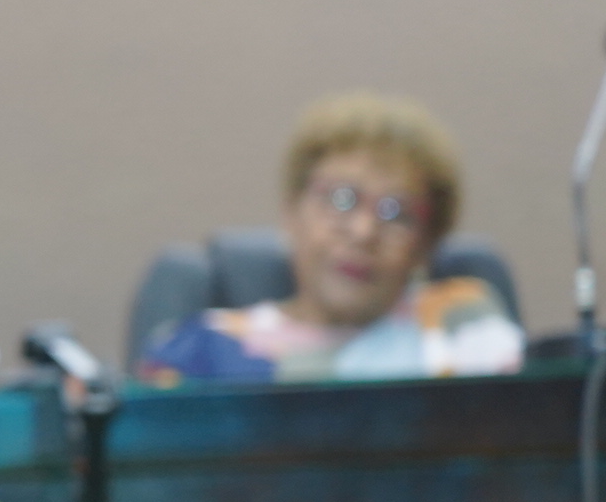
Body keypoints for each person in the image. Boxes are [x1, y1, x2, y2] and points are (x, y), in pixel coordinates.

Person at [139, 92, 524, 383]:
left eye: (396, 213)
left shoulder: (461, 322)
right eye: (342, 200)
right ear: (292, 212)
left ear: (425, 245)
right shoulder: (203, 350)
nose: (364, 232)